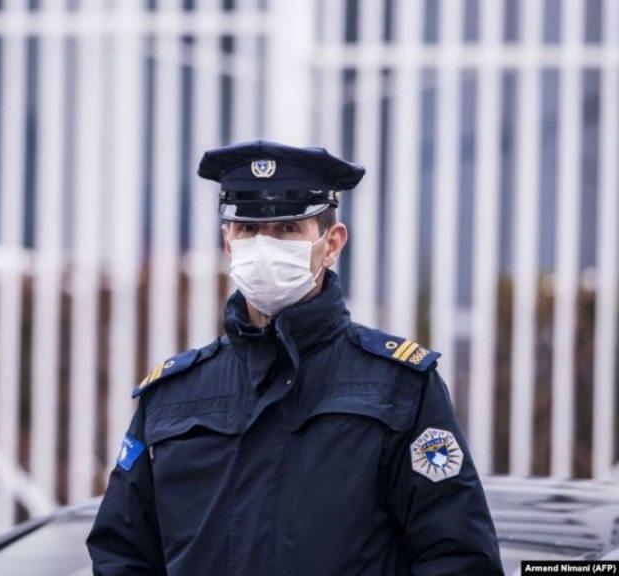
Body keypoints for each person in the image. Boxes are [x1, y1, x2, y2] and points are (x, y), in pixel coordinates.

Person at [87, 140, 503, 575]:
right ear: (228, 242)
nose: (264, 246)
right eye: (248, 230)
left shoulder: (398, 386)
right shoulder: (172, 396)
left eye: (287, 228)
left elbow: (458, 557)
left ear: (332, 243)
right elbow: (122, 554)